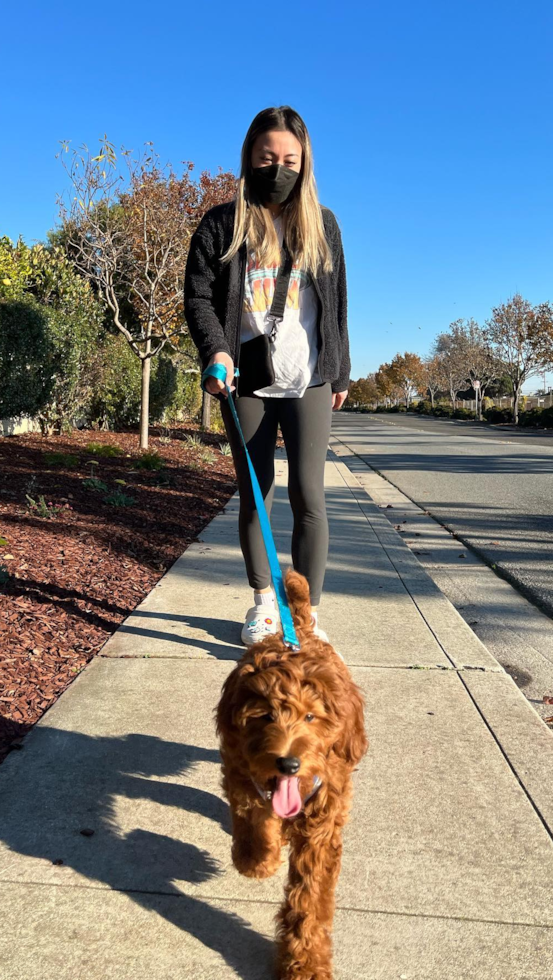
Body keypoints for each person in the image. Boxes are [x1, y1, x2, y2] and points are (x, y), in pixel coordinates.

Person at [184, 105, 349, 646]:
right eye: (266, 157)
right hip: (248, 377)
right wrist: (217, 351)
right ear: (249, 160)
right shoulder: (221, 224)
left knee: (309, 495)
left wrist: (341, 372)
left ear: (304, 163)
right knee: (256, 494)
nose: (277, 167)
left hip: (310, 377)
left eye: (289, 159)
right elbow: (199, 298)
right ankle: (263, 604)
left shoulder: (323, 224)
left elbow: (338, 304)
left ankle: (308, 614)